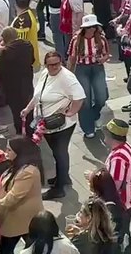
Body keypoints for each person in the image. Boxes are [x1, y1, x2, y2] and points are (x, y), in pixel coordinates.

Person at [26, 50, 85, 200]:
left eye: (57, 64)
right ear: (46, 64)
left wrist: (71, 112)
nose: (54, 67)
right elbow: (38, 95)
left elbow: (79, 97)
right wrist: (28, 109)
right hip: (46, 123)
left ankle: (59, 188)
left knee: (60, 153)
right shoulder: (45, 74)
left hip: (61, 125)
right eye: (50, 64)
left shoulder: (67, 77)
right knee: (57, 153)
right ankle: (62, 177)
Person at [0, 137, 45, 254]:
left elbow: (13, 197)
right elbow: (13, 187)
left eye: (9, 150)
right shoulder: (19, 165)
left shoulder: (28, 172)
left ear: (19, 152)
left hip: (22, 218)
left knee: (8, 249)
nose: (5, 152)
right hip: (18, 218)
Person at [69, 14, 111, 139]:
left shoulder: (101, 39)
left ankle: (94, 114)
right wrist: (69, 75)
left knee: (102, 97)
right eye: (89, 27)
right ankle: (87, 127)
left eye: (94, 26)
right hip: (82, 69)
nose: (92, 29)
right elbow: (72, 58)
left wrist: (103, 59)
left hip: (97, 68)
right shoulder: (77, 40)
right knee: (85, 101)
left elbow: (106, 54)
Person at [102, 120, 131, 254]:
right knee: (124, 233)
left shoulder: (118, 158)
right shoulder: (124, 148)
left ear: (111, 137)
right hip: (127, 201)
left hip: (120, 205)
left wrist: (96, 181)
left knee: (119, 237)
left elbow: (114, 185)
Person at [0, 28, 36, 135]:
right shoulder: (28, 45)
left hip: (12, 85)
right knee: (28, 106)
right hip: (27, 81)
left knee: (16, 109)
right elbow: (32, 60)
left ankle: (20, 131)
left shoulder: (6, 52)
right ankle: (31, 129)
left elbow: (0, 71)